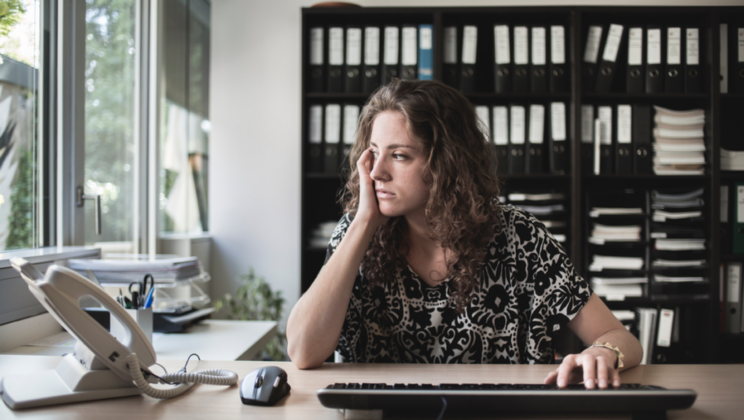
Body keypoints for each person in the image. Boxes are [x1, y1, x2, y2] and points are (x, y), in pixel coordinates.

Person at [287, 79, 642, 389]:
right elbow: (302, 352)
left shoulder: (521, 237)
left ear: (446, 164)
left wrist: (601, 353)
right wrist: (364, 224)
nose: (377, 172)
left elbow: (622, 339)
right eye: (374, 154)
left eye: (399, 156)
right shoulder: (356, 231)